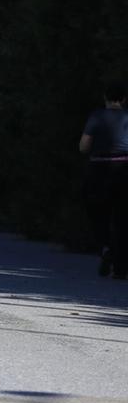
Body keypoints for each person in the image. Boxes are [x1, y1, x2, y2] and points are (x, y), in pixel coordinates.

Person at [80, 82, 128, 278]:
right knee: (123, 218)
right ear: (124, 99)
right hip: (125, 168)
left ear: (105, 97)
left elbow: (83, 146)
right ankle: (121, 266)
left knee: (98, 212)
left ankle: (106, 247)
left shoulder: (96, 116)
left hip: (99, 168)